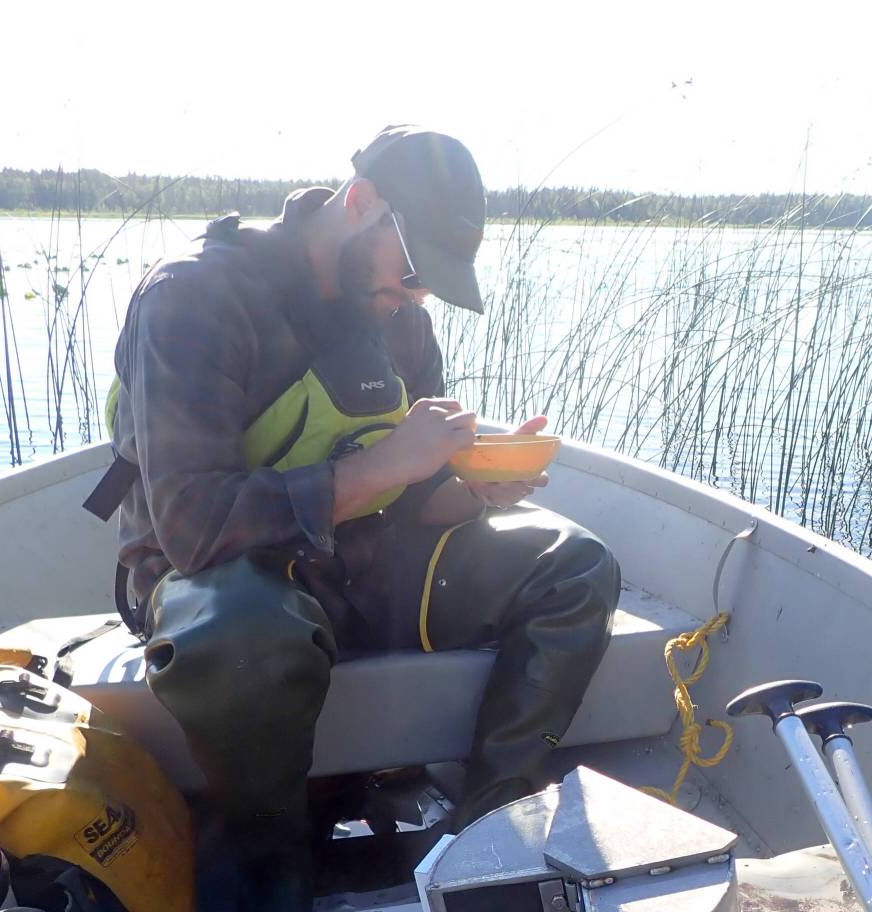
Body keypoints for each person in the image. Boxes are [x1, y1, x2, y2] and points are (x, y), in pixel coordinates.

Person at [103, 125, 620, 910]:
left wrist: (474, 490)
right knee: (246, 630)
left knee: (573, 566)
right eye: (413, 271)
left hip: (364, 567)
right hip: (217, 588)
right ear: (362, 202)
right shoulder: (193, 297)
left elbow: (415, 500)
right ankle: (273, 877)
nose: (417, 297)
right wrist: (384, 465)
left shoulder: (397, 318)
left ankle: (487, 844)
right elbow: (192, 527)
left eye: (432, 285)